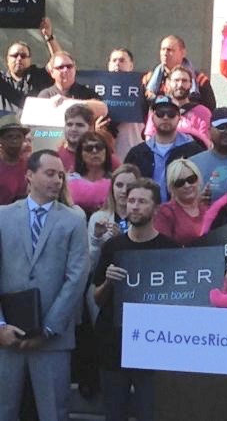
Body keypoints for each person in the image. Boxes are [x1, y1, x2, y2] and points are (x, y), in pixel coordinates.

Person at [0, 149, 89, 421]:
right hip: (6, 338)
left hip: (54, 337)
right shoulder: (2, 216)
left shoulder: (74, 219)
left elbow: (77, 277)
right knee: (4, 409)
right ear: (29, 175)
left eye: (61, 175)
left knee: (54, 411)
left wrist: (49, 328)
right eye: (50, 173)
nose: (57, 181)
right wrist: (0, 326)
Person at [94, 178, 178, 421]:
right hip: (113, 344)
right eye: (131, 201)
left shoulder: (169, 249)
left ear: (156, 208)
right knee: (114, 414)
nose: (135, 206)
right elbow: (96, 299)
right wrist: (108, 282)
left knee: (150, 412)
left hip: (153, 347)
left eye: (142, 201)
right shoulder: (112, 247)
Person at [125, 95, 206, 202]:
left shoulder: (194, 151)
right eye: (160, 113)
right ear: (152, 117)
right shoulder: (137, 153)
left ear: (179, 118)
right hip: (145, 213)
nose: (165, 117)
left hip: (179, 213)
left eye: (171, 114)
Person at [0, 18, 61, 113]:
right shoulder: (2, 80)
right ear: (7, 59)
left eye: (23, 56)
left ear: (30, 59)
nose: (19, 59)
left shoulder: (40, 76)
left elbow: (59, 61)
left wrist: (49, 37)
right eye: (15, 56)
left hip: (33, 125)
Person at [89, 164, 141, 272]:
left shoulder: (144, 218)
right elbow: (90, 264)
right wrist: (96, 238)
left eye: (130, 186)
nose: (124, 191)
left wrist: (122, 240)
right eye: (119, 185)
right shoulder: (98, 218)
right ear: (112, 188)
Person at [142, 35, 216, 111]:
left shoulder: (199, 80)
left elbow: (209, 110)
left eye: (170, 50)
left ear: (183, 53)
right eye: (162, 49)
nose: (165, 53)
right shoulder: (148, 80)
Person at [143, 65, 211, 145]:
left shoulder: (202, 112)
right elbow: (149, 140)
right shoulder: (157, 109)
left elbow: (205, 144)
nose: (180, 85)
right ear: (168, 83)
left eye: (184, 81)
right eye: (176, 80)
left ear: (190, 84)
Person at [38, 51, 108, 119]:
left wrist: (68, 102)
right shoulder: (45, 94)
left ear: (74, 69)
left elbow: (103, 109)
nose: (65, 70)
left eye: (69, 66)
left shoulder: (86, 93)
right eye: (61, 67)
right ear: (52, 73)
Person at [154, 159, 206, 245]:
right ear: (172, 187)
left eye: (191, 179)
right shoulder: (164, 212)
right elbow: (162, 247)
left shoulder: (207, 210)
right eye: (180, 183)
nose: (187, 185)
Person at [58, 103, 121, 173]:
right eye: (69, 124)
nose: (73, 129)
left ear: (91, 128)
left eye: (79, 125)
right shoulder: (56, 157)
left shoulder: (108, 161)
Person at [106, 48, 145, 161]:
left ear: (131, 66)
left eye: (122, 60)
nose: (117, 63)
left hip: (133, 152)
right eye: (114, 60)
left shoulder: (143, 87)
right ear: (108, 65)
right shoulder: (97, 89)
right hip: (105, 154)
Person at [67, 131, 113, 217]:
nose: (94, 151)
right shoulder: (69, 181)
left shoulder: (115, 182)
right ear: (81, 154)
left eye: (99, 147)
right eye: (89, 148)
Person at [0, 114, 29, 205]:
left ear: (24, 139)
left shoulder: (30, 166)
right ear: (1, 140)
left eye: (18, 137)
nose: (14, 141)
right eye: (9, 136)